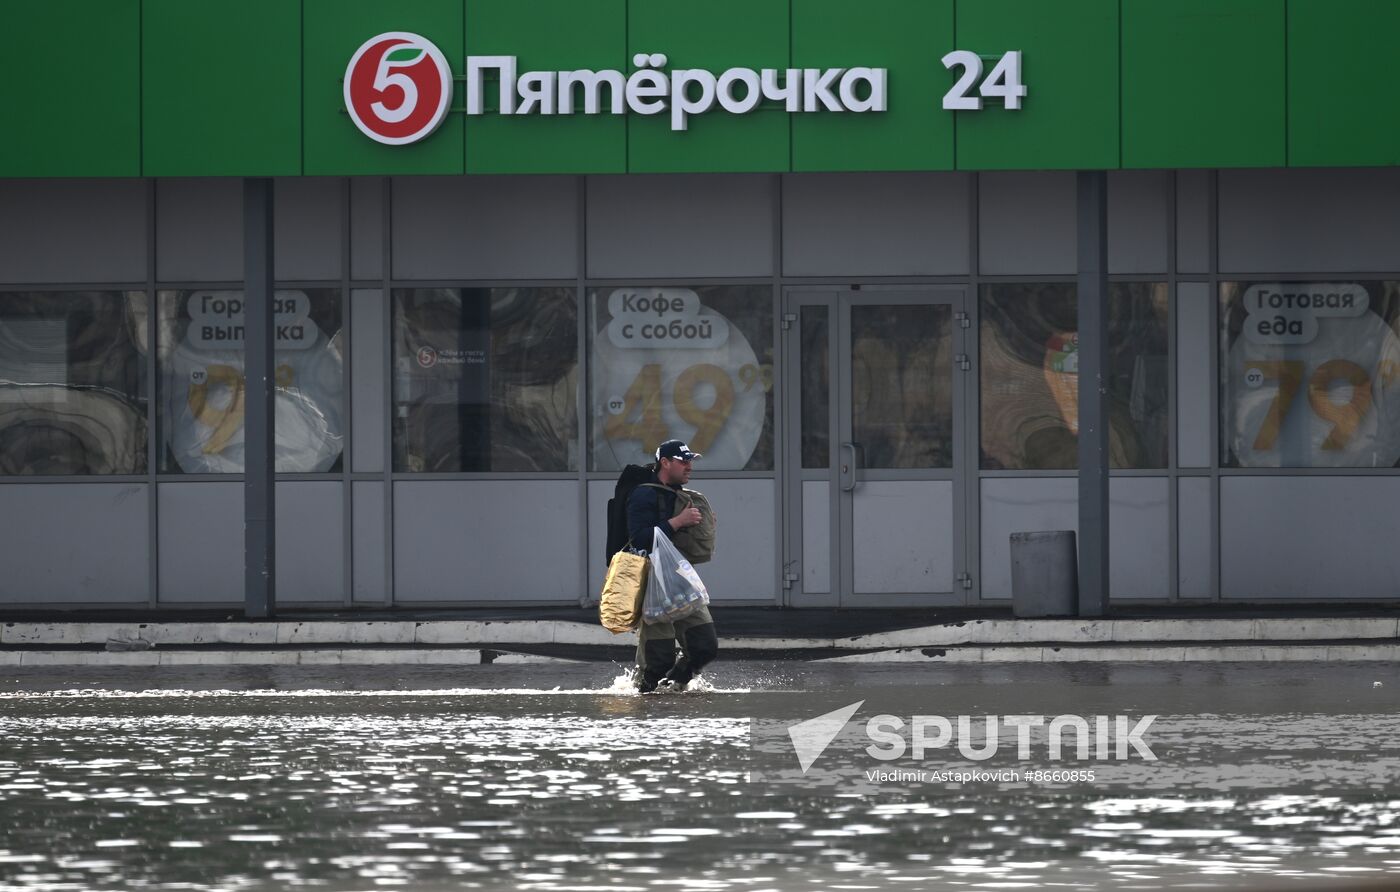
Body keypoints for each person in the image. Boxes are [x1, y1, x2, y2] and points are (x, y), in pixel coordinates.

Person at [627, 439, 719, 693]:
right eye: (683, 461)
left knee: (705, 647)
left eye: (691, 461)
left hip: (680, 579)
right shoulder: (643, 493)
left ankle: (674, 686)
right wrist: (678, 522)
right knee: (657, 659)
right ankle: (642, 699)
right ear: (665, 463)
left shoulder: (683, 496)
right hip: (653, 584)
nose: (689, 466)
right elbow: (640, 538)